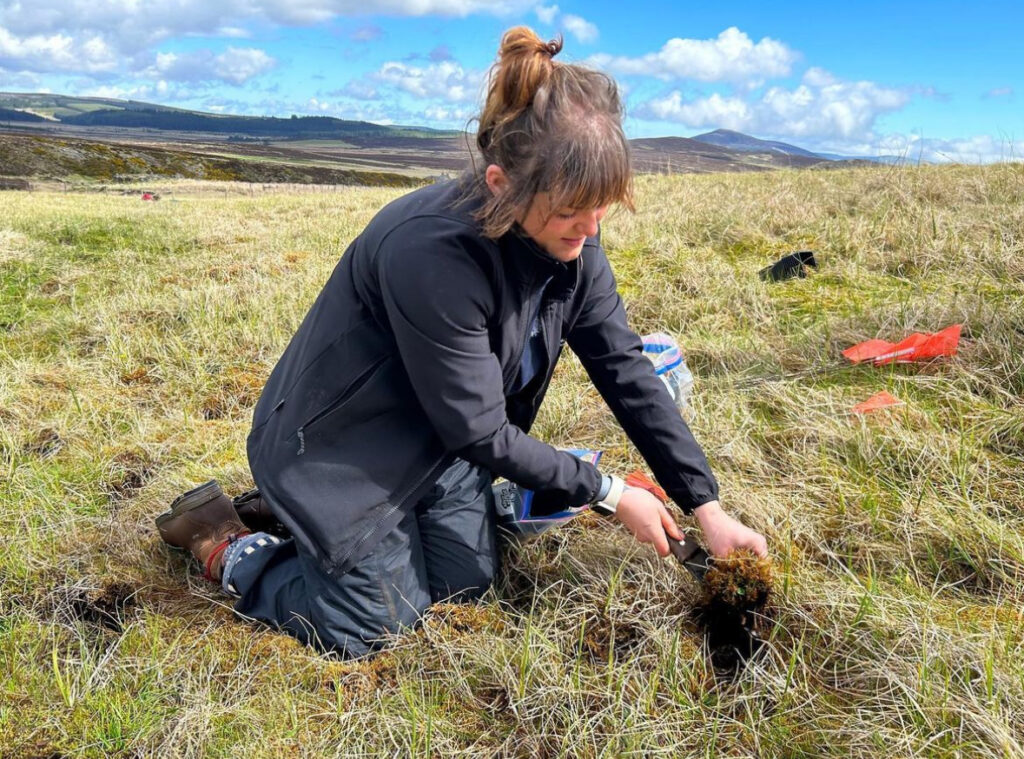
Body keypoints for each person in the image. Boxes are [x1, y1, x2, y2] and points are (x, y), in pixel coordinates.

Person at [155, 26, 768, 658]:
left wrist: (707, 506)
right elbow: (479, 430)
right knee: (377, 627)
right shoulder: (432, 253)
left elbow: (625, 370)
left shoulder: (573, 241)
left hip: (437, 444)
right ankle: (225, 539)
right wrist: (610, 494)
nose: (589, 230)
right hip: (338, 451)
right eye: (570, 212)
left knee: (464, 595)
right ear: (503, 184)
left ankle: (306, 526)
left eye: (601, 207)